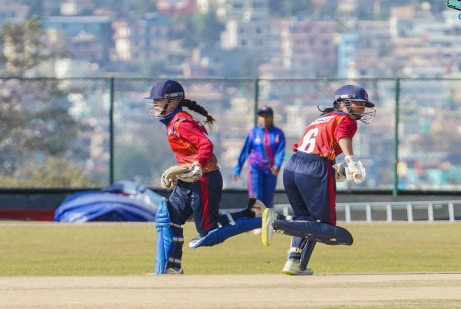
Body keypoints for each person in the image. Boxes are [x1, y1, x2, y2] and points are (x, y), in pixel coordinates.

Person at [146, 79, 265, 275]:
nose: (154, 104)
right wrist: (178, 173)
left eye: (157, 100)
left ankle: (253, 214)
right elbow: (189, 152)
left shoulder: (180, 123)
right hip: (188, 180)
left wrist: (194, 166)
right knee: (170, 218)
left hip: (204, 178)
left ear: (173, 102)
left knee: (208, 231)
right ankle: (172, 267)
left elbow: (206, 146)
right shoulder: (173, 122)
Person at [261, 84, 376, 275]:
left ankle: (295, 263)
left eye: (363, 105)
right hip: (314, 167)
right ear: (343, 102)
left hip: (293, 165)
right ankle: (277, 221)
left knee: (306, 220)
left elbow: (319, 147)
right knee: (324, 225)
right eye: (358, 103)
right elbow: (342, 137)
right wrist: (351, 161)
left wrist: (335, 170)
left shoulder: (322, 119)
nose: (362, 109)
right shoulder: (346, 119)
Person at [232, 106, 286, 208]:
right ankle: (256, 221)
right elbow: (245, 151)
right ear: (258, 118)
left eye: (267, 116)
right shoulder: (253, 133)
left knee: (268, 198)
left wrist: (277, 164)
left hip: (271, 170)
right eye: (262, 116)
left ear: (272, 117)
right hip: (255, 169)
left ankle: (266, 221)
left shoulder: (278, 133)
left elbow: (280, 151)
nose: (264, 118)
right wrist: (237, 170)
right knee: (256, 197)